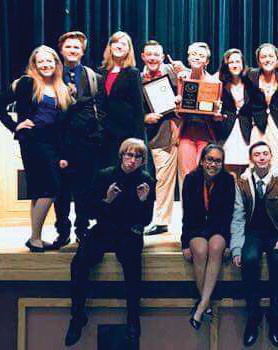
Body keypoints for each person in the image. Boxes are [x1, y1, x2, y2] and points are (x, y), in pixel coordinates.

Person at [65, 138, 155, 347]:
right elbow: (88, 211)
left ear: (142, 160)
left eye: (137, 156)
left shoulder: (147, 180)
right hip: (104, 229)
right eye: (128, 155)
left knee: (133, 268)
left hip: (129, 231)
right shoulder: (105, 175)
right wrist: (106, 201)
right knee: (79, 263)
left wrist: (143, 202)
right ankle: (77, 317)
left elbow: (146, 220)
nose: (132, 160)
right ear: (122, 155)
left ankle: (133, 321)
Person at [0, 45, 72, 252]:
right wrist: (15, 126)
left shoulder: (61, 88)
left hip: (52, 143)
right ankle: (34, 238)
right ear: (34, 64)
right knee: (50, 188)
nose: (45, 65)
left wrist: (63, 153)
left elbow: (61, 124)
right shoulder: (26, 83)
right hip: (33, 141)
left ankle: (36, 238)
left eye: (49, 61)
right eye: (40, 61)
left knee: (40, 189)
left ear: (56, 63)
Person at [230, 141, 278, 347]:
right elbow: (238, 218)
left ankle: (275, 315)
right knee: (248, 259)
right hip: (252, 233)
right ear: (251, 159)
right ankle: (253, 315)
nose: (261, 157)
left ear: (271, 157)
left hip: (276, 232)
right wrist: (236, 247)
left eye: (265, 154)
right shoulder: (242, 183)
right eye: (257, 154)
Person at [52, 31, 103, 248]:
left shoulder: (93, 76)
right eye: (68, 47)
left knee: (84, 190)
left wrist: (96, 134)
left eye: (76, 48)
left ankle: (82, 229)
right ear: (61, 50)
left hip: (86, 143)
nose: (72, 51)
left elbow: (101, 108)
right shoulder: (51, 75)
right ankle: (62, 231)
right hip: (59, 143)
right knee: (61, 192)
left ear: (82, 51)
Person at [181, 144, 235, 329]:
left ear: (222, 163)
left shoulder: (228, 180)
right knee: (200, 250)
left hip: (218, 227)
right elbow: (186, 214)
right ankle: (206, 303)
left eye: (218, 161)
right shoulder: (190, 179)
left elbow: (229, 215)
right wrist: (184, 244)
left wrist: (230, 242)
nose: (213, 164)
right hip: (196, 227)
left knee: (216, 248)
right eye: (210, 159)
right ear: (202, 161)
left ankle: (201, 305)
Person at [141, 40, 180, 236]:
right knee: (162, 179)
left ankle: (194, 220)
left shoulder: (175, 71)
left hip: (186, 132)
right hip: (159, 135)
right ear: (143, 56)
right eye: (150, 54)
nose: (153, 58)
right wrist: (144, 118)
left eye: (157, 54)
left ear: (163, 56)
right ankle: (162, 221)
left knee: (190, 179)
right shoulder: (137, 79)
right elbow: (131, 109)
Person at [245, 43, 278, 176]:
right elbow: (227, 72)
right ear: (258, 60)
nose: (267, 59)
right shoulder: (251, 75)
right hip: (260, 124)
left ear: (277, 58)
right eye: (263, 57)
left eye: (270, 56)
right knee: (257, 162)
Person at [175, 42, 222, 181]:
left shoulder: (214, 82)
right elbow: (179, 113)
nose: (197, 58)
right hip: (186, 132)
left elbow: (216, 113)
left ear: (206, 61)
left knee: (205, 174)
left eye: (201, 56)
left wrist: (217, 111)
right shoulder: (182, 78)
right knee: (187, 176)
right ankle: (188, 203)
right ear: (188, 59)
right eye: (193, 54)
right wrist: (177, 104)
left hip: (206, 133)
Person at [99, 31, 145, 168]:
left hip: (125, 133)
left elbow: (138, 109)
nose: (119, 46)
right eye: (115, 42)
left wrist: (138, 139)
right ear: (110, 47)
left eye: (123, 44)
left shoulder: (133, 73)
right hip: (104, 133)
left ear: (128, 49)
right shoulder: (101, 72)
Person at [216, 48, 252, 177]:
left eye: (238, 61)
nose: (235, 65)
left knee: (245, 175)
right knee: (229, 174)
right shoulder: (219, 83)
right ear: (226, 65)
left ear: (243, 64)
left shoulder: (251, 82)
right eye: (231, 62)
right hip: (227, 132)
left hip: (246, 132)